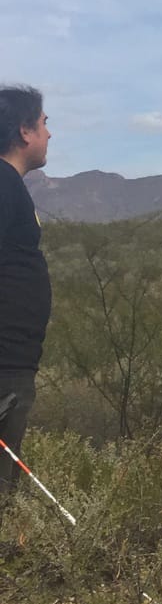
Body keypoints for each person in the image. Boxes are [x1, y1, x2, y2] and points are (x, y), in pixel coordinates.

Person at [0, 87, 53, 503]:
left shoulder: (10, 185)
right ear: (24, 130)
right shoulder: (1, 183)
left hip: (14, 361)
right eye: (44, 122)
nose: (50, 133)